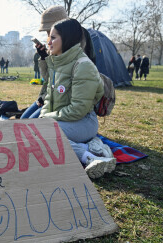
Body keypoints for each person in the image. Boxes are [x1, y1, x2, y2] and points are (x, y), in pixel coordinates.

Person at [38, 18, 116, 179]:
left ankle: (91, 158)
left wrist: (46, 120)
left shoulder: (83, 66)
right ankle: (92, 147)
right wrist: (42, 117)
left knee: (43, 132)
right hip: (63, 119)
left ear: (67, 39)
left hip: (83, 121)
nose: (48, 42)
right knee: (34, 130)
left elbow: (78, 109)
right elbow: (48, 99)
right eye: (49, 37)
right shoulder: (57, 63)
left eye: (53, 37)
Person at [21, 5, 96, 120]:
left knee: (33, 125)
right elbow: (49, 76)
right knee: (24, 119)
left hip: (65, 99)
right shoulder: (56, 42)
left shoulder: (78, 39)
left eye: (49, 31)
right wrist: (44, 57)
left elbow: (66, 77)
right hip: (51, 95)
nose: (48, 37)